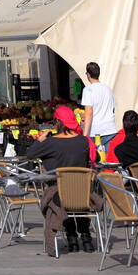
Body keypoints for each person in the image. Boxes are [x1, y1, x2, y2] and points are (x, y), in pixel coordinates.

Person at [21, 106, 100, 253]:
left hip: (59, 196)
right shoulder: (84, 141)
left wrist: (41, 139)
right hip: (84, 194)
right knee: (76, 194)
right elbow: (98, 158)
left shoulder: (51, 143)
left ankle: (72, 238)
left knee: (62, 192)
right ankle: (86, 237)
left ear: (57, 122)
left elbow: (30, 154)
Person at [80, 62, 117, 160]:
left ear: (88, 74)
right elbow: (113, 109)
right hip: (110, 129)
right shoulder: (108, 89)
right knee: (110, 163)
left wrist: (85, 134)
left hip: (96, 132)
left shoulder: (88, 90)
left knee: (96, 162)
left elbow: (89, 112)